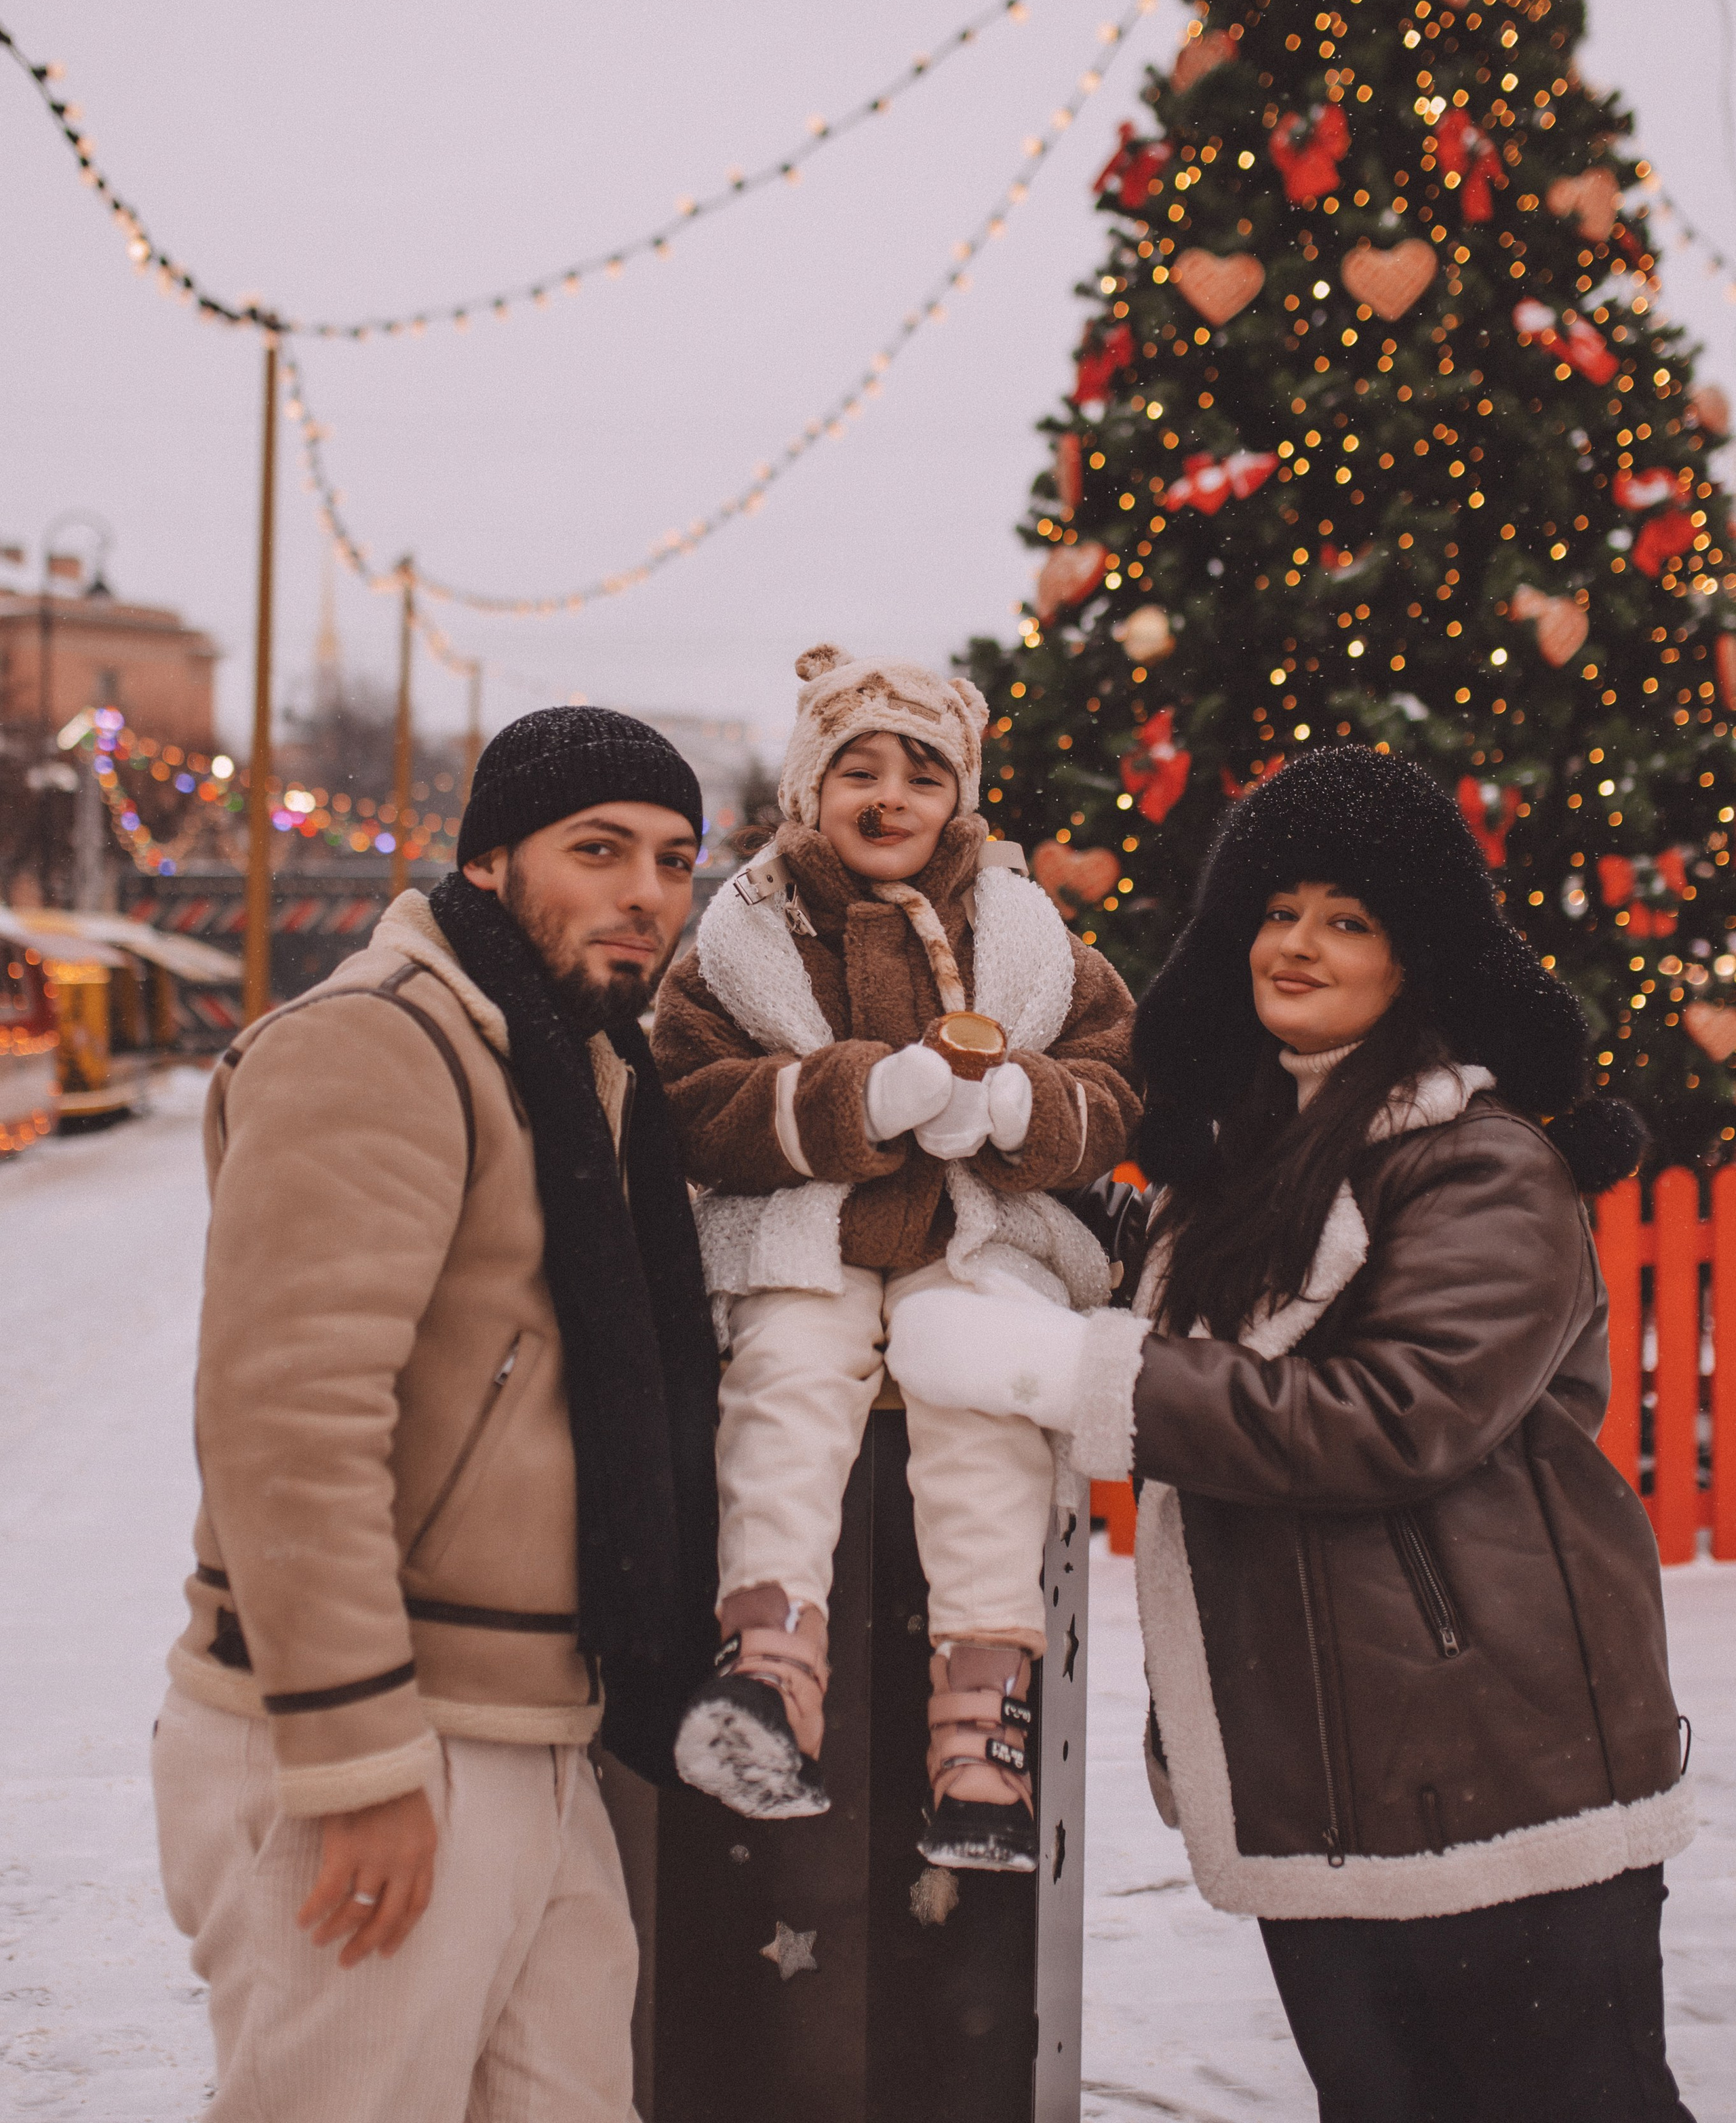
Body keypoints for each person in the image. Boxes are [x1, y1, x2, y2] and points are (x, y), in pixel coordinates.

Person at [888, 745, 1696, 2119]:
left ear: (1416, 956)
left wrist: (1065, 1368)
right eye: (1276, 909)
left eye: (1347, 919)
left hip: (1498, 1773)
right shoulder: (1267, 1145)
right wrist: (1014, 1195)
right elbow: (1226, 1297)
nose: (1297, 945)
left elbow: (1387, 1418)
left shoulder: (1481, 1163)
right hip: (1329, 1780)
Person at [152, 707, 721, 2123]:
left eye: (672, 858)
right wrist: (355, 1755)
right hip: (379, 1733)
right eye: (596, 850)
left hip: (528, 1728)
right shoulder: (381, 1045)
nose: (644, 893)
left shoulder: (578, 1073)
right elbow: (289, 1417)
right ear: (485, 864)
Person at [651, 643, 1141, 1869]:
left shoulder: (1024, 931)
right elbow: (691, 1094)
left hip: (966, 1231)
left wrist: (1020, 1109)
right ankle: (769, 1668)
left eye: (921, 777)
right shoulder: (745, 933)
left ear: (961, 796)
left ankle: (983, 1730)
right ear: (807, 792)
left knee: (979, 1418)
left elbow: (1115, 1078)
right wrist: (854, 1097)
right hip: (808, 1231)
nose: (888, 800)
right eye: (855, 772)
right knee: (786, 1383)